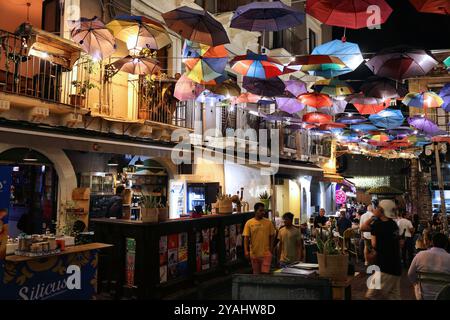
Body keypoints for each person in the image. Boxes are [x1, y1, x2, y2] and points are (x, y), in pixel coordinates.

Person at [361, 199, 402, 300]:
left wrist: (373, 217)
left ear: (382, 210)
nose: (375, 209)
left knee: (370, 296)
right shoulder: (393, 225)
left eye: (378, 208)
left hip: (385, 268)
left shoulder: (378, 225)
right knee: (393, 297)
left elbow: (363, 227)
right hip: (396, 267)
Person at [408, 232, 450, 300]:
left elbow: (410, 274)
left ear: (432, 242)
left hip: (423, 296)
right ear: (446, 245)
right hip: (444, 297)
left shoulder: (420, 255)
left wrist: (417, 285)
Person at [243, 202, 276, 274]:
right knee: (256, 275)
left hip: (266, 254)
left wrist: (271, 249)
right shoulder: (249, 223)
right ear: (255, 211)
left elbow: (272, 236)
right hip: (254, 254)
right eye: (260, 211)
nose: (263, 212)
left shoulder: (268, 222)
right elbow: (246, 238)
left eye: (263, 210)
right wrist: (246, 251)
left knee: (265, 275)